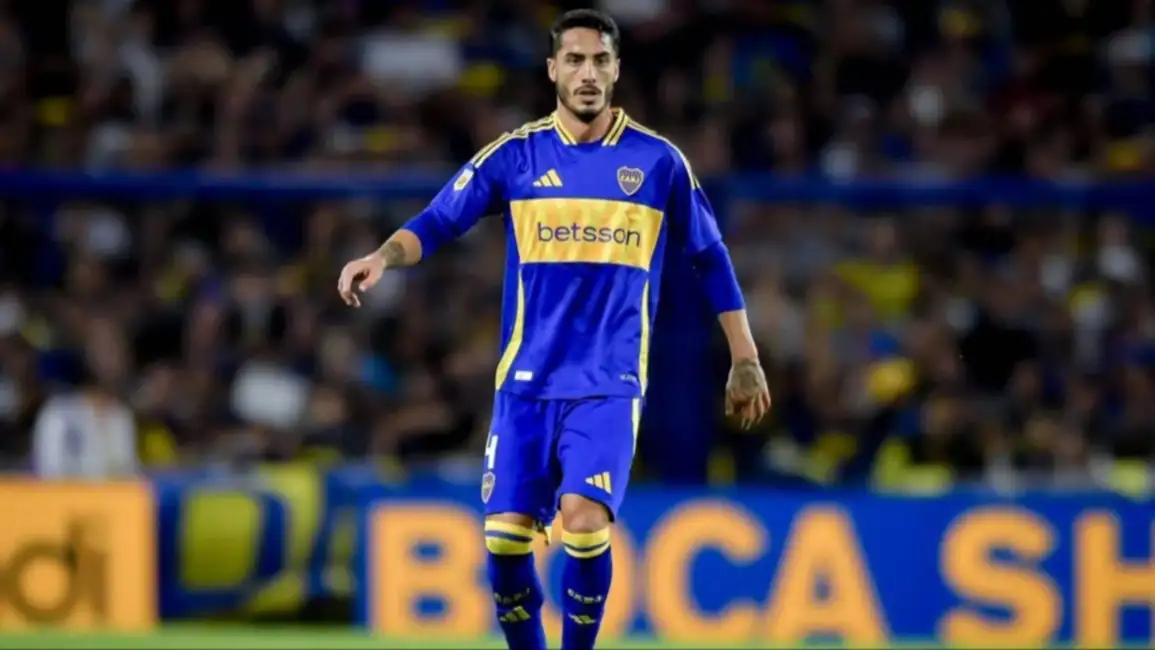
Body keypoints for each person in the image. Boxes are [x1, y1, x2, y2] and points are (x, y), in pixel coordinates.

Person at [337, 9, 770, 649]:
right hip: (525, 384)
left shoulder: (658, 163)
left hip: (607, 383)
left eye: (599, 60)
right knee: (505, 543)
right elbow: (438, 220)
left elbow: (709, 255)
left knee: (585, 523)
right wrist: (382, 257)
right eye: (574, 60)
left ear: (616, 70)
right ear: (552, 70)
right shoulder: (516, 156)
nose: (587, 73)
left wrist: (745, 355)